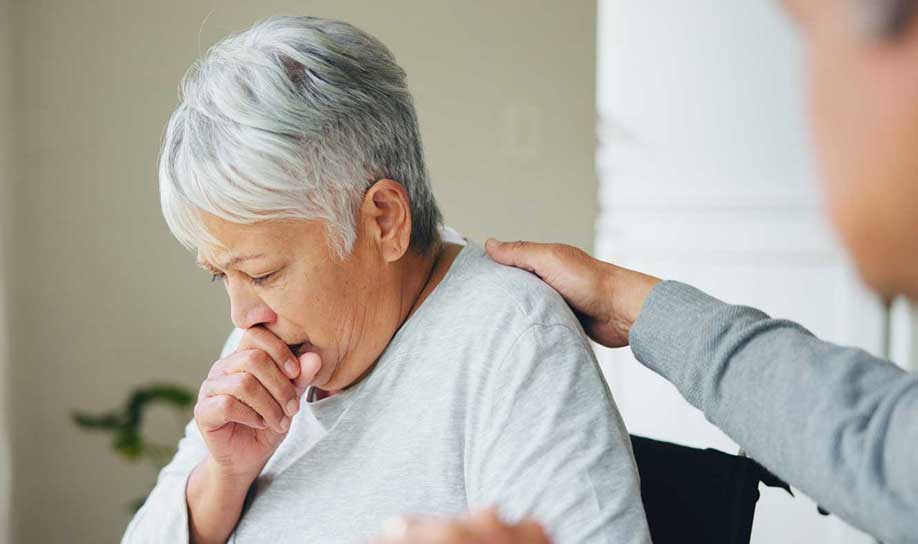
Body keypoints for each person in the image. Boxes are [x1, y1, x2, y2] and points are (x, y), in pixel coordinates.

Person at [375, 0, 918, 542]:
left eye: (810, 33)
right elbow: (869, 432)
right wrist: (622, 299)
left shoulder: (512, 324)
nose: (808, 96)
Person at [121, 15, 651, 544]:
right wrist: (224, 480)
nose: (241, 315)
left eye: (263, 272)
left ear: (384, 220)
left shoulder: (512, 335)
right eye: (222, 275)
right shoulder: (266, 339)